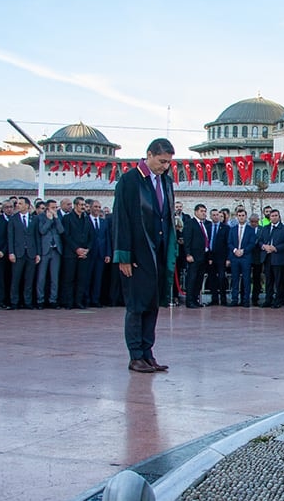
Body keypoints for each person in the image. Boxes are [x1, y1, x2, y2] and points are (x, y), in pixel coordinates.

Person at [113, 138, 177, 373]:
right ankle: (135, 355)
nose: (165, 166)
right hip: (137, 253)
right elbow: (121, 219)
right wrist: (124, 256)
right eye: (162, 161)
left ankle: (148, 353)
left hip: (158, 252)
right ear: (149, 155)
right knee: (137, 305)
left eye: (168, 162)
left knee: (153, 304)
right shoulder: (130, 181)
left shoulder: (166, 181)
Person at [7, 196, 40, 310]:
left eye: (21, 203)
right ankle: (14, 301)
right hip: (18, 253)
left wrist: (38, 253)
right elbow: (10, 236)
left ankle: (28, 301)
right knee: (16, 278)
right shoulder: (13, 219)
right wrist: (11, 252)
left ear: (27, 205)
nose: (18, 205)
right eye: (17, 204)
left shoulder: (34, 219)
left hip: (31, 252)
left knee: (29, 279)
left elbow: (37, 237)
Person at [61, 196, 93, 309]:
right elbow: (66, 236)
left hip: (84, 254)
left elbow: (91, 236)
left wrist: (87, 249)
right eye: (81, 205)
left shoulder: (87, 219)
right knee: (69, 278)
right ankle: (68, 302)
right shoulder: (67, 218)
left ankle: (79, 301)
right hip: (71, 254)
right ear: (75, 206)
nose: (83, 207)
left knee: (81, 279)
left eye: (84, 205)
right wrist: (76, 249)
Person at [259, 209, 284, 308]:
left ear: (279, 217)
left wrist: (275, 248)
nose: (274, 217)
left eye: (276, 215)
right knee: (268, 280)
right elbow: (259, 241)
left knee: (279, 281)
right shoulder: (265, 228)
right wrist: (264, 246)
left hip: (278, 258)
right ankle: (268, 299)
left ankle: (279, 300)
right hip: (267, 258)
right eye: (272, 216)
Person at [36, 199, 64, 309]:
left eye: (56, 207)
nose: (55, 209)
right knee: (41, 277)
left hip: (56, 250)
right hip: (44, 250)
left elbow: (61, 231)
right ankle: (40, 299)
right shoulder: (40, 217)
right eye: (53, 207)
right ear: (47, 208)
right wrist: (49, 220)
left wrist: (56, 219)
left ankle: (53, 299)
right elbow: (42, 231)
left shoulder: (58, 217)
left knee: (54, 277)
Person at [227, 209, 257, 307]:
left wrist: (243, 251)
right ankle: (234, 299)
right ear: (237, 216)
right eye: (239, 215)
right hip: (235, 257)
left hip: (246, 257)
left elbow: (252, 243)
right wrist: (235, 250)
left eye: (243, 215)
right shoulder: (232, 229)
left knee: (246, 279)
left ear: (246, 216)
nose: (241, 217)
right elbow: (229, 242)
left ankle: (246, 300)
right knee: (235, 279)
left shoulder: (250, 230)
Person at [183, 204, 210, 308]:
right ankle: (189, 301)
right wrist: (188, 254)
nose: (204, 213)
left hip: (203, 256)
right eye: (202, 211)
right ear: (196, 212)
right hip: (193, 256)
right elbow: (187, 240)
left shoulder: (204, 225)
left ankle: (195, 299)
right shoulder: (190, 223)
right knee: (192, 279)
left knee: (199, 279)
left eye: (205, 211)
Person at [87, 200, 112, 307]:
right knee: (88, 278)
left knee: (98, 278)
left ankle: (95, 299)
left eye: (99, 207)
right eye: (95, 207)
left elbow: (107, 238)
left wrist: (108, 254)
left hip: (101, 255)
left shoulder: (103, 222)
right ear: (91, 208)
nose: (97, 209)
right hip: (89, 254)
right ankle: (86, 299)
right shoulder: (86, 220)